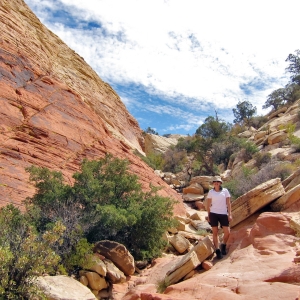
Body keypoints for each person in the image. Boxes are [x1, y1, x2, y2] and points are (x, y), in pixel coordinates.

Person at [206, 176, 232, 259]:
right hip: (213, 213)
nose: (216, 183)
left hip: (223, 213)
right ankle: (217, 250)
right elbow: (208, 205)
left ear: (220, 183)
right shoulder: (211, 192)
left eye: (217, 181)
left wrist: (230, 214)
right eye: (214, 182)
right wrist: (209, 215)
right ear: (213, 183)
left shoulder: (225, 191)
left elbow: (228, 203)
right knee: (215, 232)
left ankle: (223, 244)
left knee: (227, 232)